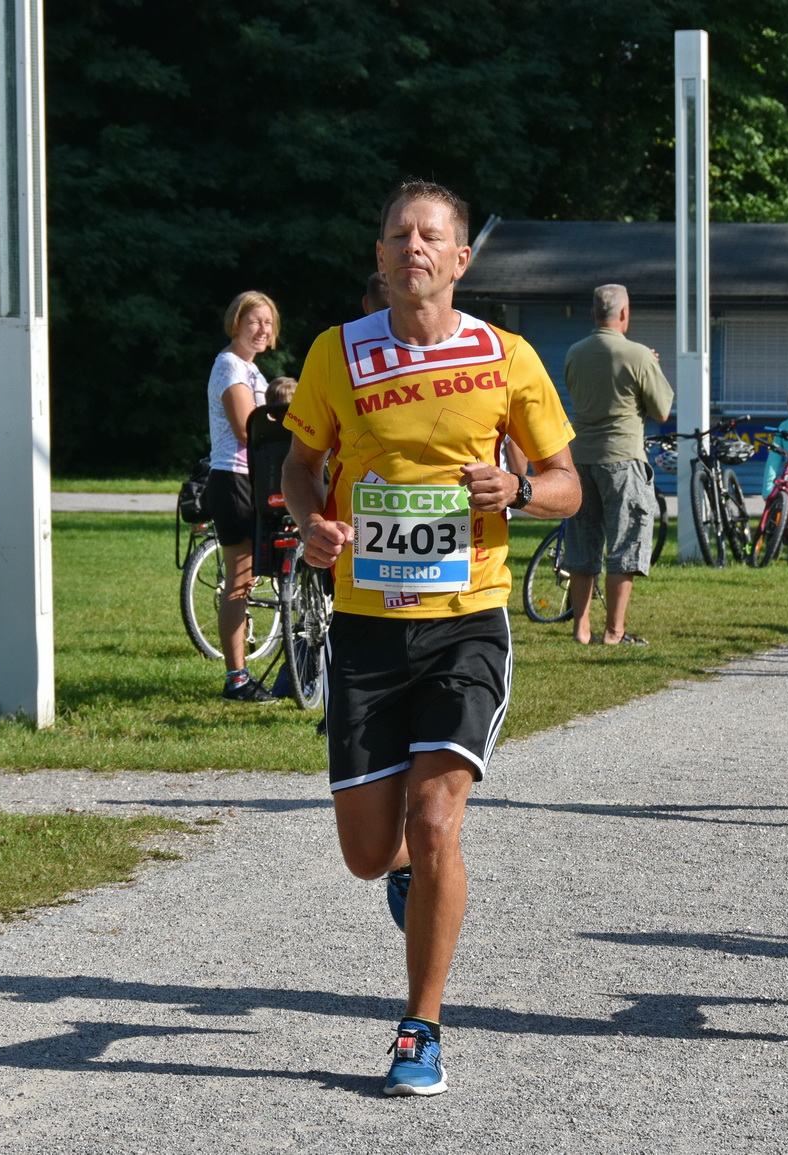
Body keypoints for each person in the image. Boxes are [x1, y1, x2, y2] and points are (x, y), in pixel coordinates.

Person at [281, 179, 578, 1096]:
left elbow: (567, 481)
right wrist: (312, 525)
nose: (414, 246)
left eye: (432, 235)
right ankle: (402, 871)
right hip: (367, 630)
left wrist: (519, 492)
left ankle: (422, 1027)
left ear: (459, 260)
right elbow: (300, 466)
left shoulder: (509, 356)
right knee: (371, 851)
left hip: (467, 624)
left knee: (436, 816)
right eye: (398, 234)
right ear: (380, 258)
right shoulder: (338, 353)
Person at [561, 283, 673, 645]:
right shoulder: (638, 354)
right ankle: (613, 631)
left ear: (594, 314)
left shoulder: (574, 352)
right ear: (624, 314)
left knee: (582, 543)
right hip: (623, 458)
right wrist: (651, 366)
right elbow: (662, 409)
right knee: (625, 545)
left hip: (580, 459)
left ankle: (581, 628)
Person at [204, 290, 279, 702]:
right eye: (255, 322)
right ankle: (236, 678)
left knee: (251, 576)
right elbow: (247, 432)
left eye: (268, 323)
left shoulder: (252, 370)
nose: (263, 330)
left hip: (255, 479)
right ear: (236, 323)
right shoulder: (230, 365)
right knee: (241, 580)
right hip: (234, 479)